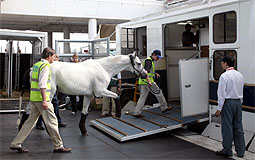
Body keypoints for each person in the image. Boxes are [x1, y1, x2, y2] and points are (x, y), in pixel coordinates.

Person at [10, 47, 71, 153]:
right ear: (49, 56)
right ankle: (58, 145)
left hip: (34, 98)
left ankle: (16, 143)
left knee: (29, 123)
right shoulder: (46, 67)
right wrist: (44, 100)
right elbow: (42, 84)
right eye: (53, 56)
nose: (54, 58)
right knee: (52, 122)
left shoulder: (36, 65)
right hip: (42, 100)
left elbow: (32, 81)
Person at [215, 56, 245, 158]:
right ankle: (241, 151)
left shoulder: (224, 76)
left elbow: (221, 94)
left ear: (226, 63)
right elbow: (241, 91)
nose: (221, 64)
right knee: (238, 127)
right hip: (238, 103)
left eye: (222, 63)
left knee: (227, 127)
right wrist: (239, 103)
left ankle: (227, 150)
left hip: (228, 103)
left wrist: (219, 108)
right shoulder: (240, 75)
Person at [130, 50, 172, 117]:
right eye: (157, 57)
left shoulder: (148, 60)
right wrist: (149, 82)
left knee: (142, 97)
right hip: (148, 82)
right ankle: (164, 107)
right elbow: (146, 72)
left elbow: (146, 70)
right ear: (153, 54)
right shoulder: (149, 61)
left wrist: (155, 73)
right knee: (159, 93)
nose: (158, 59)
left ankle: (137, 112)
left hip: (142, 82)